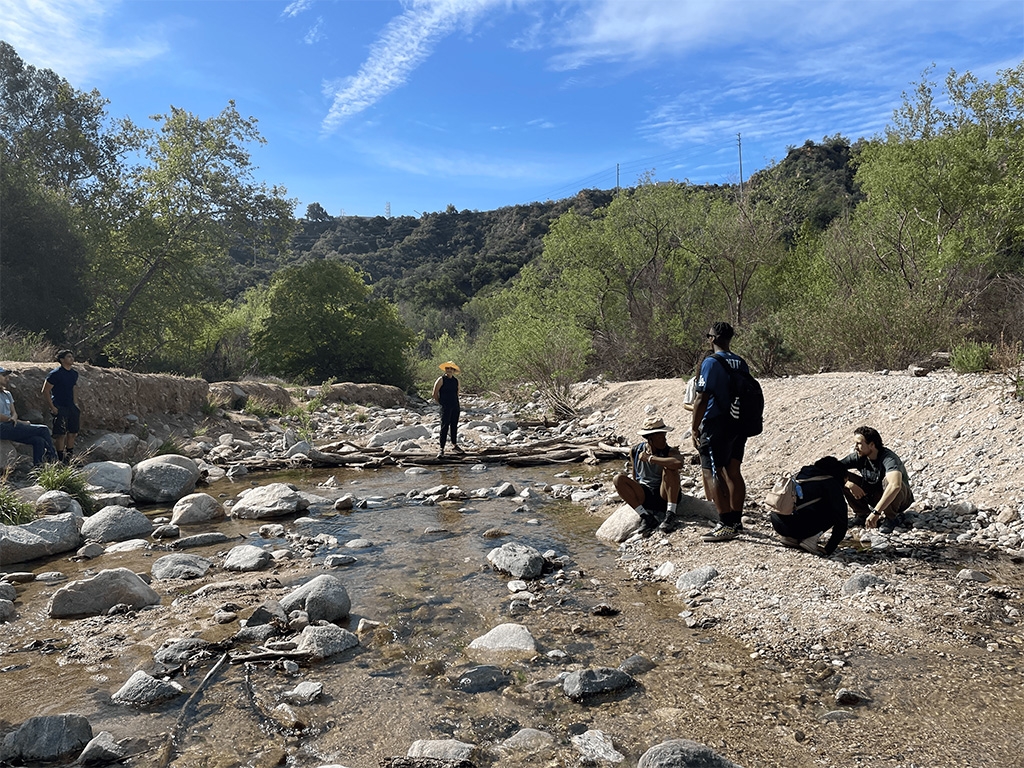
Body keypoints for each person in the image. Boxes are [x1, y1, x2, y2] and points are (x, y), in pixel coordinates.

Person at [691, 321, 750, 542]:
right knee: (733, 471)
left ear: (713, 338)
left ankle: (725, 524)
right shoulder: (740, 362)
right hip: (739, 423)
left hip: (717, 423)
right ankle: (736, 520)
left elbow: (701, 398)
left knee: (711, 471)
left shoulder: (711, 362)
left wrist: (694, 427)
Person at [613, 416, 684, 535]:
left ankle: (670, 514)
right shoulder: (635, 451)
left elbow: (678, 463)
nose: (664, 439)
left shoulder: (669, 451)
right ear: (650, 439)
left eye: (664, 435)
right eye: (660, 437)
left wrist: (651, 459)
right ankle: (646, 516)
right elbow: (635, 476)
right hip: (645, 494)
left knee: (670, 469)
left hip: (664, 495)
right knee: (618, 479)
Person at [840, 425, 914, 534]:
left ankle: (891, 518)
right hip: (875, 496)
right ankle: (862, 514)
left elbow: (895, 486)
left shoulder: (888, 458)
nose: (855, 447)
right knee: (842, 476)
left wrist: (876, 512)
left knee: (890, 481)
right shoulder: (858, 457)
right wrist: (848, 484)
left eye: (859, 443)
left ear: (872, 445)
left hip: (900, 500)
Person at [769, 456, 849, 556]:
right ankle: (810, 539)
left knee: (805, 505)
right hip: (796, 527)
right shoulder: (830, 483)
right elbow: (842, 520)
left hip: (777, 522)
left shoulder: (802, 473)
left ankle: (790, 538)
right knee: (835, 510)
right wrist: (829, 548)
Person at [0, 367, 58, 466]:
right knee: (43, 429)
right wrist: (11, 419)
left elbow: (13, 412)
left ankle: (38, 469)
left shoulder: (7, 394)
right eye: (4, 375)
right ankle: (54, 460)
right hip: (2, 427)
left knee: (38, 440)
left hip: (11, 425)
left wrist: (14, 418)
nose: (7, 378)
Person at [41, 349, 81, 464]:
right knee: (60, 434)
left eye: (72, 356)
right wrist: (52, 407)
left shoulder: (74, 374)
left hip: (71, 406)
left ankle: (68, 459)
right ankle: (60, 459)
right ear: (62, 360)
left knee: (73, 433)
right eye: (68, 357)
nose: (72, 359)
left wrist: (76, 403)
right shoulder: (55, 374)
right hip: (59, 405)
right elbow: (45, 390)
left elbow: (74, 388)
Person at [432, 361, 463, 459]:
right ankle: (441, 449)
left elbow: (457, 393)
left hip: (455, 405)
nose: (449, 370)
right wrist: (441, 403)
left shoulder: (456, 381)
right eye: (447, 368)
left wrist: (456, 404)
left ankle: (454, 445)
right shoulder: (441, 379)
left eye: (451, 369)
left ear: (453, 370)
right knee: (444, 426)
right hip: (445, 406)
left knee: (454, 425)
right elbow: (434, 394)